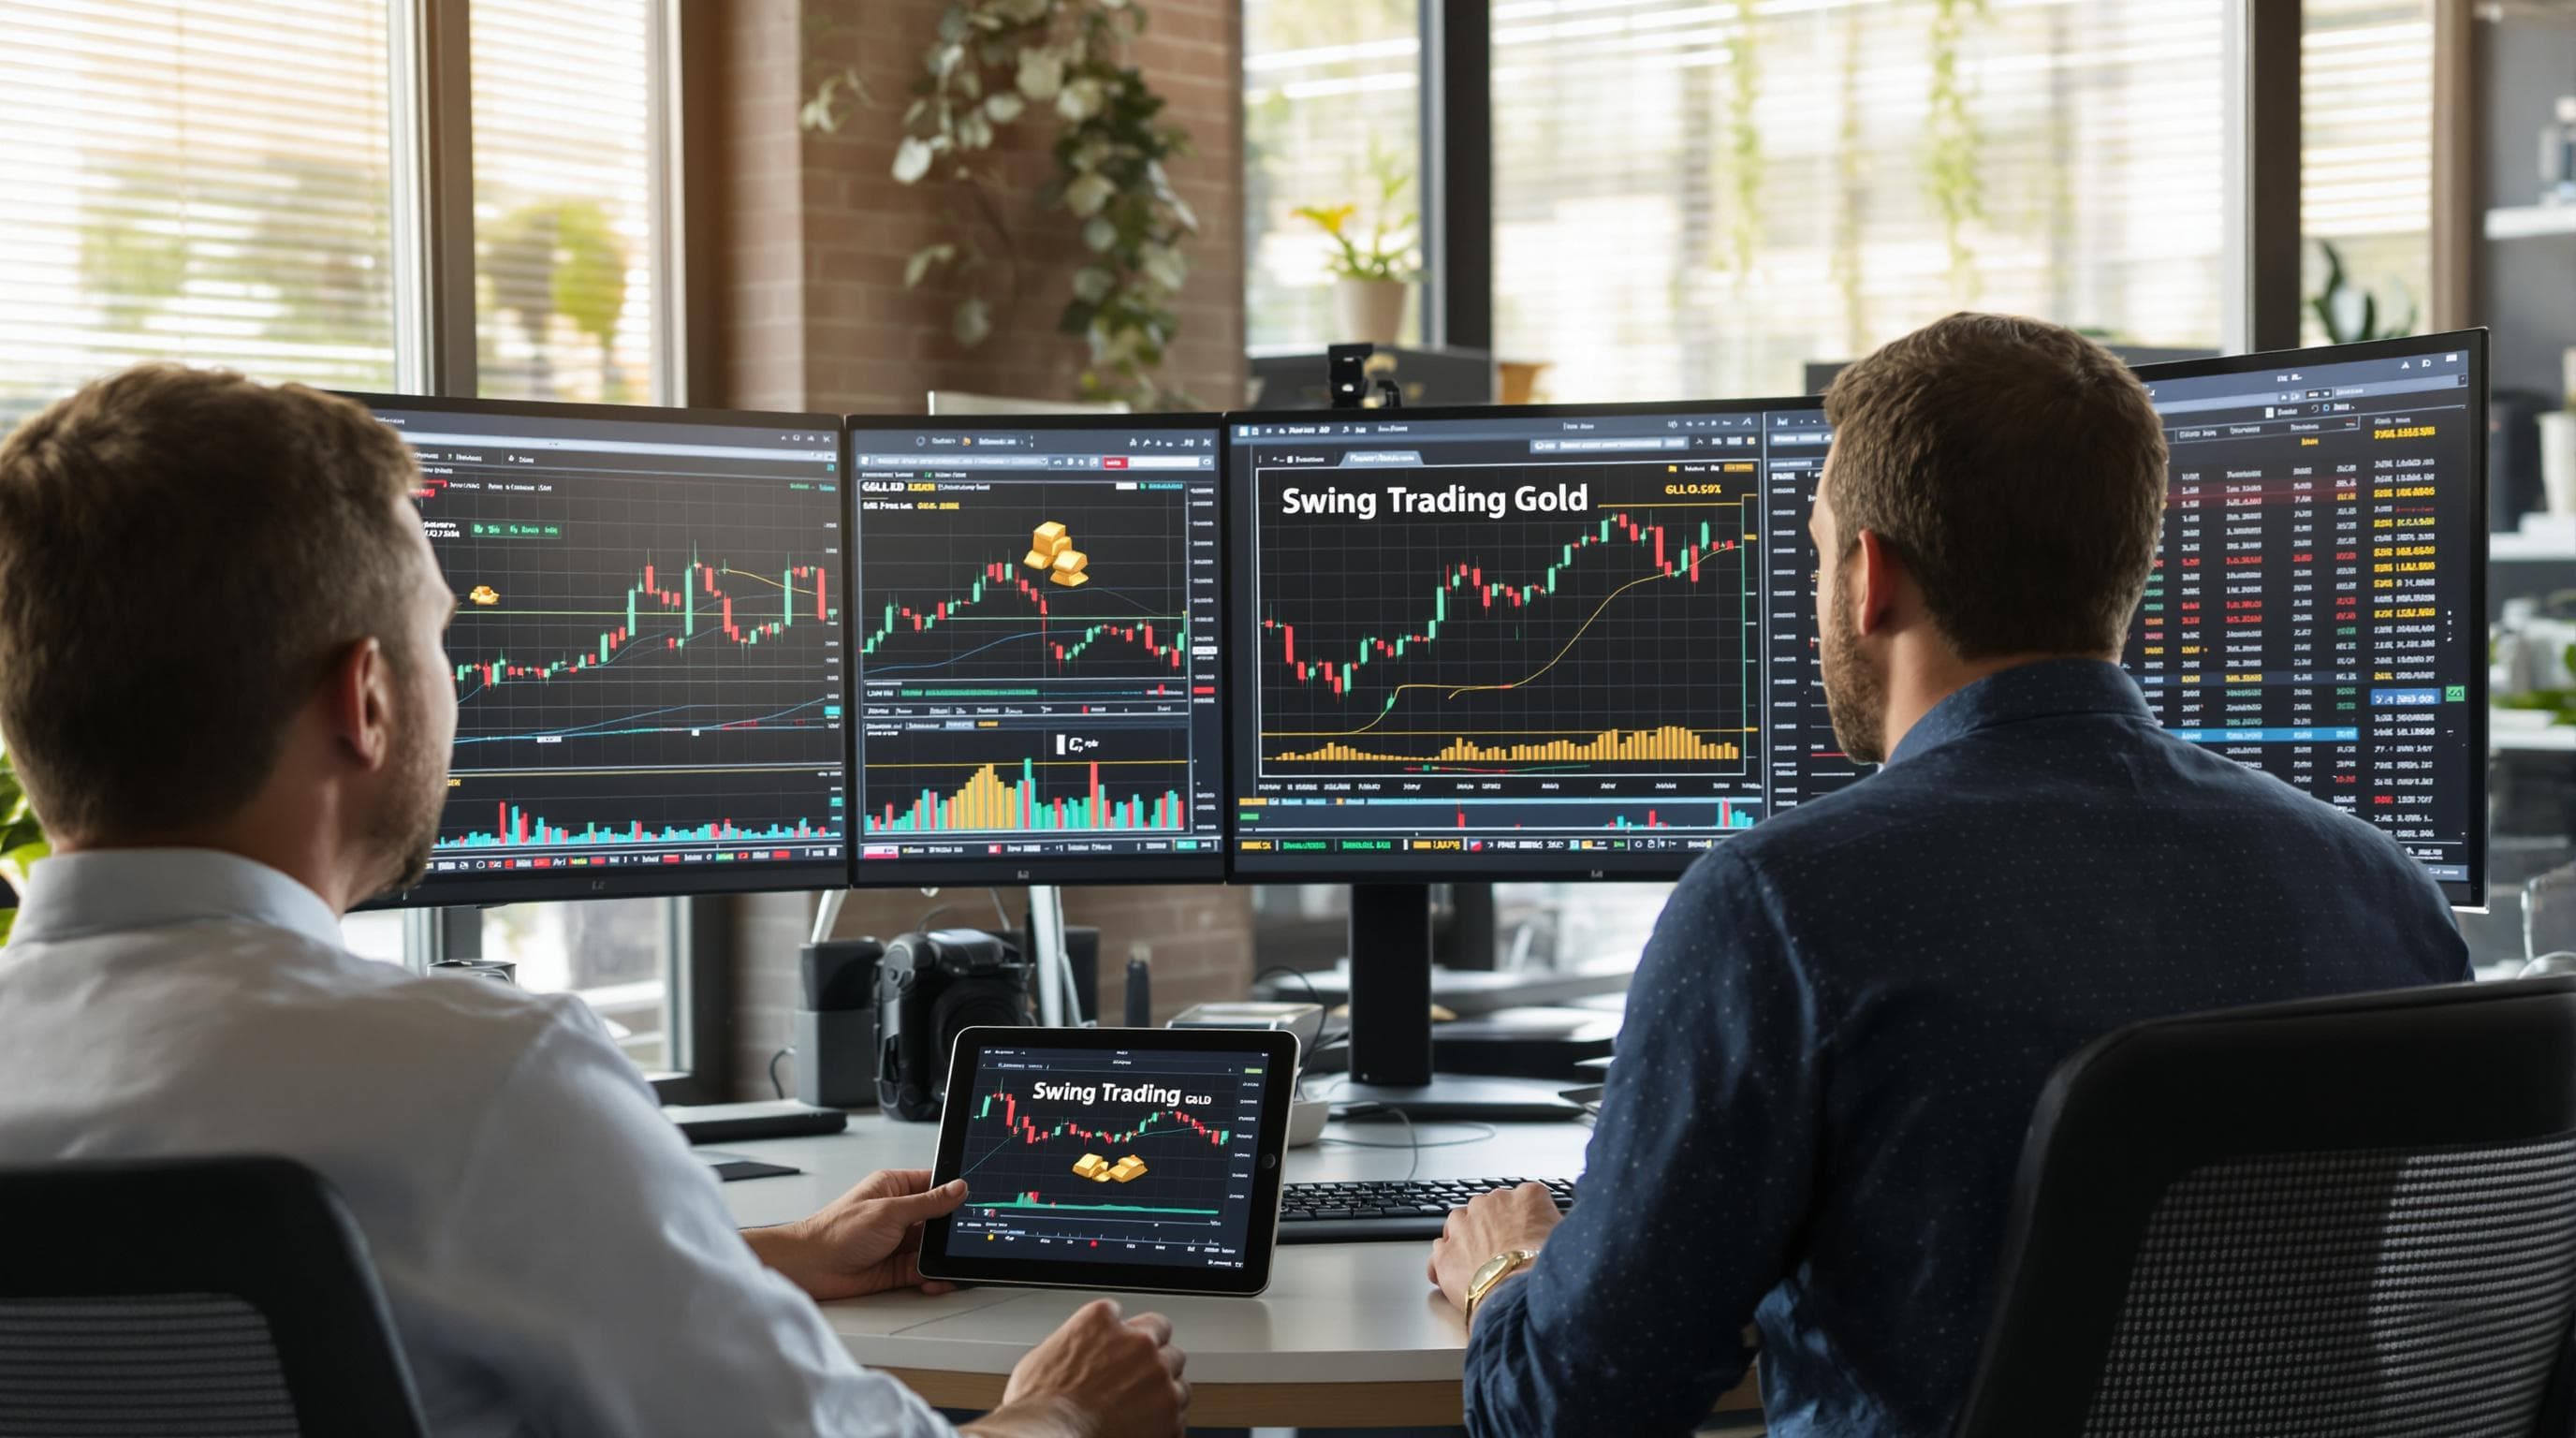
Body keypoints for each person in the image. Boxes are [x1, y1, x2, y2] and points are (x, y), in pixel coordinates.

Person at [0, 366, 1188, 1438]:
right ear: (364, 699)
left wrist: (760, 1254)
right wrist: (1070, 1412)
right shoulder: (483, 1082)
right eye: (441, 641)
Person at [1428, 314, 2473, 1437]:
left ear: (1870, 576)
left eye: (1820, 548)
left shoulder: (1781, 906)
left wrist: (1507, 1274)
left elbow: (1571, 1411)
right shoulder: (2382, 891)